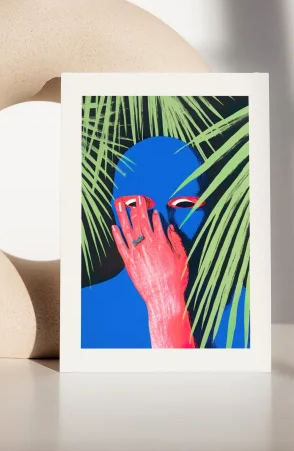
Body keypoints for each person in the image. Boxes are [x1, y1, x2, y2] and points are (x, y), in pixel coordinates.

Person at [81, 136, 248, 349]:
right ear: (115, 211)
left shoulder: (243, 311)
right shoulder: (83, 309)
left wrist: (165, 301)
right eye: (135, 204)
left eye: (184, 204)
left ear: (208, 212)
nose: (159, 222)